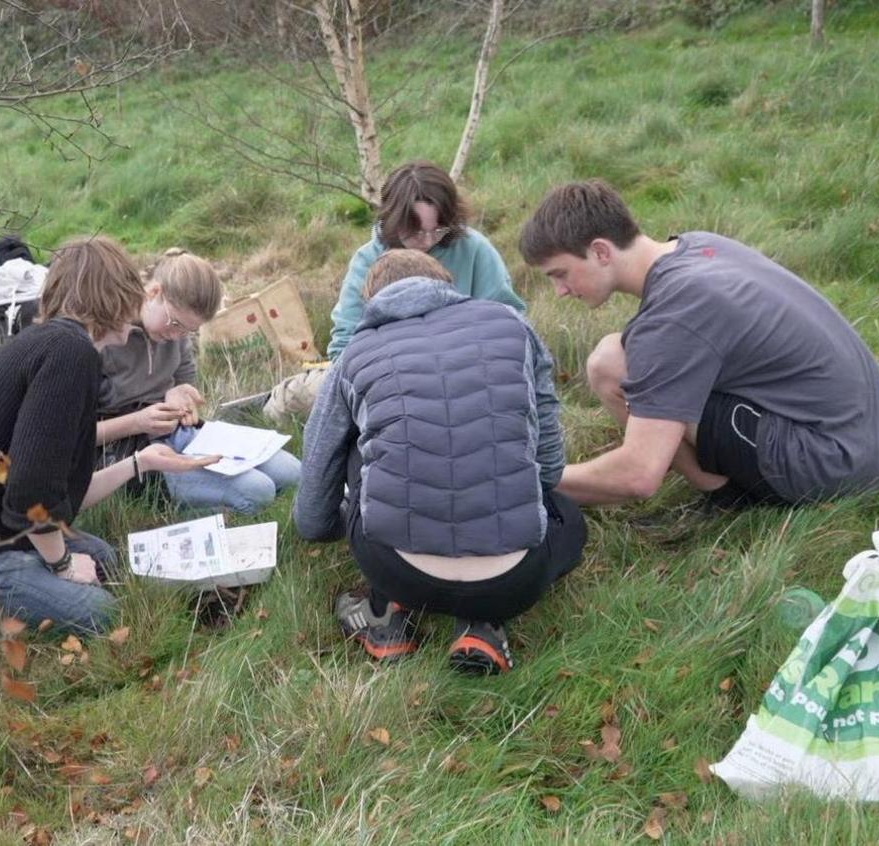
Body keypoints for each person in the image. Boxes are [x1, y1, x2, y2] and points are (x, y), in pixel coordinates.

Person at [0, 236, 218, 639]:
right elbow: (31, 497)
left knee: (105, 561)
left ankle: (6, 586)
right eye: (129, 295)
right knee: (98, 614)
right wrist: (62, 565)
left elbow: (60, 492)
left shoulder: (63, 348)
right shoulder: (70, 353)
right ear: (111, 300)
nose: (136, 309)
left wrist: (140, 462)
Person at [518, 180, 879, 508]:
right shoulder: (699, 246)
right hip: (870, 443)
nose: (560, 291)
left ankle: (721, 492)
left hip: (833, 466)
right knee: (614, 358)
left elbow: (637, 477)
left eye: (561, 273)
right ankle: (720, 481)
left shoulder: (674, 315)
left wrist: (530, 482)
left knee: (611, 366)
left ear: (601, 251)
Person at [293, 250, 586, 675]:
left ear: (370, 299)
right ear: (448, 286)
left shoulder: (354, 356)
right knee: (569, 519)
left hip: (396, 569)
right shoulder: (511, 325)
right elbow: (548, 467)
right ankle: (483, 623)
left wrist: (333, 524)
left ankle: (384, 613)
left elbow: (316, 485)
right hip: (515, 577)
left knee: (365, 444)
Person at [261, 159, 526, 421]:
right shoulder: (367, 259)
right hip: (386, 381)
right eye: (414, 232)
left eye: (437, 231)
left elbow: (509, 324)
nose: (426, 241)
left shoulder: (475, 249)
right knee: (295, 399)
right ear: (391, 219)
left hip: (466, 375)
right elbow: (344, 344)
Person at [96, 248, 301, 513]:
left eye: (188, 331)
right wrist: (137, 421)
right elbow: (75, 435)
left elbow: (184, 380)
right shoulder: (104, 337)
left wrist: (178, 394)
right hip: (126, 454)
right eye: (174, 324)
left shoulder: (176, 332)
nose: (175, 336)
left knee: (293, 472)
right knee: (258, 490)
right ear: (153, 293)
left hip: (178, 434)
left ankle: (210, 494)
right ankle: (179, 513)